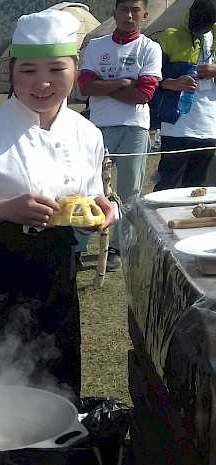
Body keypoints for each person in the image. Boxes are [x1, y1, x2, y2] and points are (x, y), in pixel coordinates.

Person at [0, 10, 115, 398]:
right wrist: (3, 210)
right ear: (10, 72)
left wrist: (100, 211)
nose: (42, 83)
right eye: (27, 70)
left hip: (58, 269)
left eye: (56, 69)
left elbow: (92, 193)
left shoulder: (87, 133)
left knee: (57, 376)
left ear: (75, 70)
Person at [78, 0, 162, 271]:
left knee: (129, 191)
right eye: (123, 9)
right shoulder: (97, 45)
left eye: (135, 10)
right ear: (113, 13)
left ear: (144, 15)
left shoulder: (150, 48)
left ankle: (118, 247)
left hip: (135, 127)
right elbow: (85, 86)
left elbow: (144, 94)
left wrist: (105, 86)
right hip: (98, 127)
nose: (129, 15)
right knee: (86, 187)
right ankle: (76, 248)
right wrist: (124, 82)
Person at [153, 0, 216, 191]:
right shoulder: (169, 36)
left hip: (209, 125)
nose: (197, 31)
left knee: (196, 186)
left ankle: (189, 221)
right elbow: (150, 76)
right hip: (176, 125)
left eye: (202, 28)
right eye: (194, 27)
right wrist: (171, 83)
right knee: (169, 185)